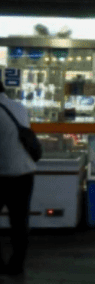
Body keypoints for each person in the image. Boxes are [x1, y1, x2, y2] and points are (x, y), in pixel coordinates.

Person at [0, 81, 37, 277]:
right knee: (20, 222)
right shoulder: (19, 107)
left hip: (2, 174)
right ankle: (17, 265)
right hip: (24, 174)